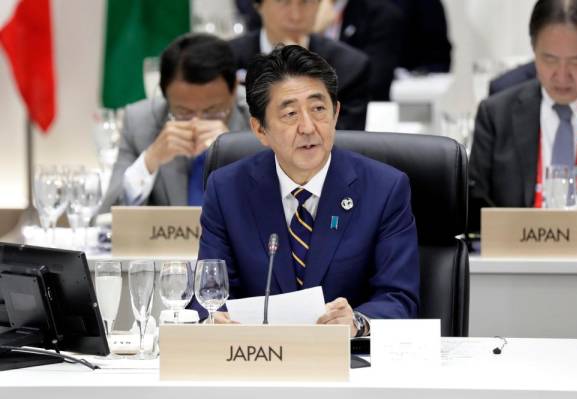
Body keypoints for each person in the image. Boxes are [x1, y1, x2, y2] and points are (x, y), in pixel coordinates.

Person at [192, 45, 419, 336]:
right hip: (257, 361)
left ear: (336, 113)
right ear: (260, 129)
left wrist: (358, 323)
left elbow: (400, 298)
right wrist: (214, 319)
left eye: (318, 109)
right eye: (289, 114)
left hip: (351, 366)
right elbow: (208, 295)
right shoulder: (227, 190)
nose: (308, 127)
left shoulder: (385, 189)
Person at [469, 0, 577, 232]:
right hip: (515, 261)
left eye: (576, 61)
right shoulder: (496, 115)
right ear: (533, 49)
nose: (562, 75)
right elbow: (474, 211)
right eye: (549, 59)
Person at [99, 33, 250, 213]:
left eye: (212, 111)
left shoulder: (264, 117)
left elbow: (282, 211)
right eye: (184, 112)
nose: (197, 123)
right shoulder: (140, 122)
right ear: (165, 96)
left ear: (234, 89)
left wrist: (234, 152)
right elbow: (106, 220)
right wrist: (149, 161)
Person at [229, 0, 370, 131]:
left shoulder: (349, 65)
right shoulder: (230, 58)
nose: (295, 15)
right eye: (284, 2)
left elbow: (348, 141)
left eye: (305, 2)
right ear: (257, 4)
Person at [312, 0, 406, 101]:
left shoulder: (379, 14)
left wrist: (314, 36)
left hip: (355, 109)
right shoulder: (300, 11)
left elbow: (375, 81)